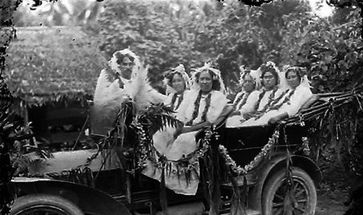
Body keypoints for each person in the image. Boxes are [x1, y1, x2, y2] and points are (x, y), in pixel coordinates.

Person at [142, 62, 229, 196]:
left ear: (213, 81)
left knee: (182, 139)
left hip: (201, 130)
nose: (204, 82)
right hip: (187, 126)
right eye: (202, 79)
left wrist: (185, 130)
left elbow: (209, 121)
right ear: (198, 81)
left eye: (208, 79)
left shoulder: (218, 97)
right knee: (160, 135)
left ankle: (183, 182)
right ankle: (156, 169)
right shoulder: (193, 95)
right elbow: (182, 115)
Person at [91, 48, 166, 136]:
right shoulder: (115, 83)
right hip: (118, 125)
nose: (128, 67)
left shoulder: (137, 83)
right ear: (119, 66)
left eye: (130, 64)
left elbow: (153, 94)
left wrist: (169, 99)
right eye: (125, 64)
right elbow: (105, 104)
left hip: (139, 122)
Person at [250, 66, 314, 126]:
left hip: (285, 116)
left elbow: (295, 108)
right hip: (275, 112)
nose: (291, 80)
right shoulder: (288, 91)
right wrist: (264, 113)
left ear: (299, 77)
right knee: (251, 122)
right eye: (288, 78)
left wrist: (278, 117)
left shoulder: (304, 90)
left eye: (293, 77)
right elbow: (277, 104)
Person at [226, 61, 284, 128]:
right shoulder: (261, 93)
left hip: (267, 118)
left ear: (276, 79)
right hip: (255, 117)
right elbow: (251, 108)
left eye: (270, 77)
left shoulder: (278, 92)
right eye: (265, 77)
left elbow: (273, 108)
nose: (268, 80)